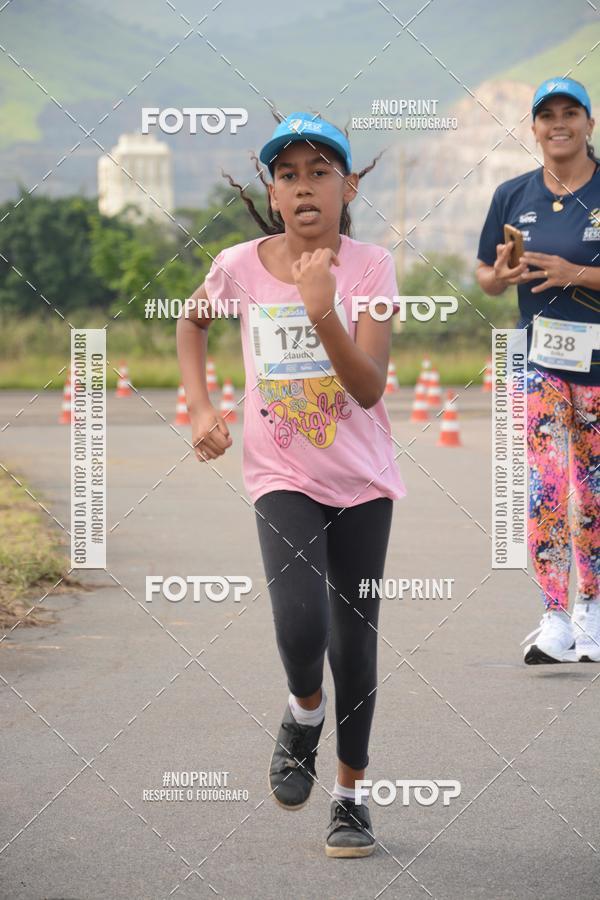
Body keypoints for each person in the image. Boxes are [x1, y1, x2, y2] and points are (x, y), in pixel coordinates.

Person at [176, 111, 406, 857]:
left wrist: (322, 312)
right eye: (288, 174)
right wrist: (204, 408)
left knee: (356, 642)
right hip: (282, 474)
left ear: (348, 186)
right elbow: (192, 320)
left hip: (363, 480)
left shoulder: (370, 267)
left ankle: (350, 797)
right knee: (301, 627)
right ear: (271, 193)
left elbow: (368, 388)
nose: (304, 186)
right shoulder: (240, 265)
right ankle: (303, 712)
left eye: (319, 172)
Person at [476, 78, 600, 665]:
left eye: (570, 112)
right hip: (539, 359)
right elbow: (485, 274)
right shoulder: (511, 194)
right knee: (545, 484)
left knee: (593, 491)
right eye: (546, 114)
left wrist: (576, 273)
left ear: (588, 124)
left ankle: (592, 611)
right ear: (533, 127)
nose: (558, 123)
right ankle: (555, 615)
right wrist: (500, 276)